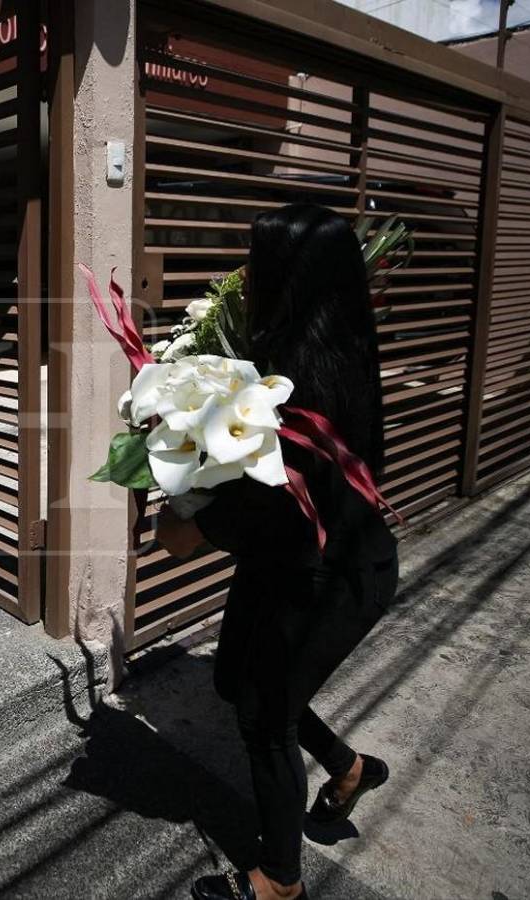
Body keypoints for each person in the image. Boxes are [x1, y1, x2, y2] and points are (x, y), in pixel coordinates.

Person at [154, 204, 399, 900]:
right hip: (289, 564)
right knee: (235, 679)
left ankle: (279, 880)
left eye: (255, 266)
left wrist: (181, 499)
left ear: (286, 282)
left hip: (333, 580)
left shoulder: (292, 413)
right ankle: (347, 768)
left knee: (266, 720)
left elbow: (189, 534)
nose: (243, 278)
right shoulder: (331, 360)